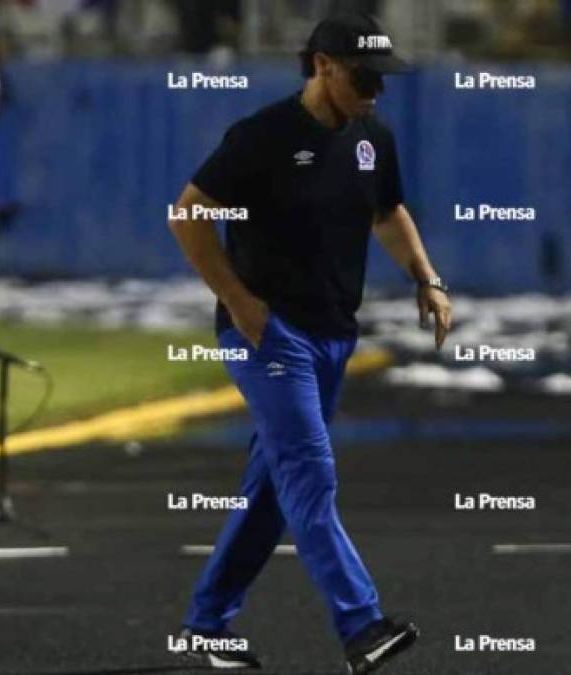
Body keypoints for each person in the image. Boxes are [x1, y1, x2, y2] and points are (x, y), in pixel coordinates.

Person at [167, 12, 451, 674]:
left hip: (332, 333)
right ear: (323, 65)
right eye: (363, 77)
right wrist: (240, 303)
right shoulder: (261, 136)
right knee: (310, 474)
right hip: (268, 334)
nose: (375, 91)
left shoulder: (370, 139)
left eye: (382, 80)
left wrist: (426, 278)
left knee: (273, 487)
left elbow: (388, 211)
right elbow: (188, 214)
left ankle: (206, 623)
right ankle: (361, 626)